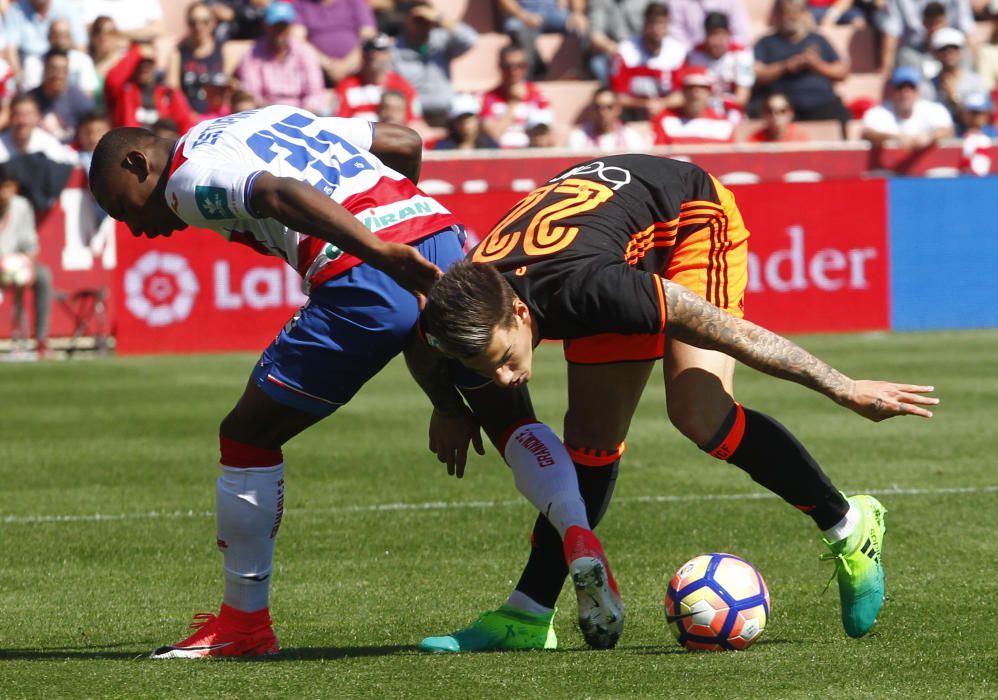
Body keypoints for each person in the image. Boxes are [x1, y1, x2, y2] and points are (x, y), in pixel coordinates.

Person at [414, 153, 938, 652]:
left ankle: (850, 525)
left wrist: (842, 386)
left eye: (505, 358)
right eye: (486, 368)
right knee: (591, 441)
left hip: (688, 218)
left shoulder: (594, 290)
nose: (504, 378)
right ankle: (526, 616)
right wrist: (447, 405)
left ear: (522, 316)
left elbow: (734, 333)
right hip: (605, 245)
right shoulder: (457, 310)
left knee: (698, 413)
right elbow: (423, 346)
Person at [86, 105, 476, 658]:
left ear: (135, 161)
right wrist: (394, 226)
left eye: (118, 205)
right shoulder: (259, 119)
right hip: (439, 233)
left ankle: (244, 626)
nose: (134, 229)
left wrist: (381, 251)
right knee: (507, 404)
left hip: (366, 269)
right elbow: (402, 140)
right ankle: (551, 590)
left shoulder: (184, 180)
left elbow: (273, 194)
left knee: (246, 437)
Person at [751, 0, 852, 124]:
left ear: (804, 14)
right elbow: (756, 74)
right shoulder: (765, 42)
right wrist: (786, 67)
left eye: (796, 12)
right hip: (783, 109)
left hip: (822, 104)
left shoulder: (819, 40)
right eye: (788, 12)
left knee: (842, 115)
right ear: (779, 14)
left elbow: (842, 72)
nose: (792, 17)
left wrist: (817, 65)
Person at [391, 0, 477, 126]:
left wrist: (439, 18)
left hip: (445, 115)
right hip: (413, 118)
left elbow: (470, 39)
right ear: (406, 21)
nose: (422, 25)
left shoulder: (441, 41)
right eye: (417, 20)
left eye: (426, 20)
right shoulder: (394, 50)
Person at [237, 2, 328, 116]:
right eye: (275, 26)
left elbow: (315, 92)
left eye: (284, 26)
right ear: (266, 26)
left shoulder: (305, 51)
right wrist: (270, 111)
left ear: (290, 26)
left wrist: (303, 114)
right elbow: (251, 92)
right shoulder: (252, 53)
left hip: (302, 112)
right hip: (265, 113)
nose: (280, 31)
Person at [0, 162, 52, 359]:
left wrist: (26, 266)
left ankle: (41, 341)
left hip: (16, 263)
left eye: (8, 187)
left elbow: (30, 245)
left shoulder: (21, 207)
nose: (4, 193)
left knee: (43, 276)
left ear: (14, 187)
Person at [609, 2, 687, 120]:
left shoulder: (677, 51)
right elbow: (618, 96)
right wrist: (645, 105)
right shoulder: (625, 50)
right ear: (645, 24)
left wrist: (662, 104)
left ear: (667, 25)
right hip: (632, 116)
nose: (656, 29)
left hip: (666, 114)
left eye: (661, 23)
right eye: (652, 23)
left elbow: (681, 96)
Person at [103, 41, 195, 133]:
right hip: (131, 145)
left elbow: (186, 124)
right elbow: (112, 81)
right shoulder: (123, 92)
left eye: (149, 62)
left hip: (162, 145)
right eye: (139, 62)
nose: (144, 66)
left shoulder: (168, 94)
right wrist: (137, 51)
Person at [861, 64, 955, 146]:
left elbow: (948, 130)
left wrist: (930, 137)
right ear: (892, 91)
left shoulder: (934, 109)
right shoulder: (879, 112)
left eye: (911, 88)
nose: (905, 93)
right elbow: (867, 133)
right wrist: (894, 138)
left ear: (918, 91)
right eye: (900, 88)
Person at [480, 44, 552, 149]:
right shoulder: (489, 98)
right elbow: (494, 136)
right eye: (508, 67)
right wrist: (513, 103)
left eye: (520, 65)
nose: (514, 71)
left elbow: (546, 136)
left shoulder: (537, 95)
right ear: (500, 67)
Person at [685, 12, 755, 120]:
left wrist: (719, 103)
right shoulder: (695, 54)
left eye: (719, 34)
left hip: (731, 110)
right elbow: (692, 92)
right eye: (711, 34)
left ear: (728, 34)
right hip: (702, 111)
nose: (714, 41)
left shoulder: (742, 54)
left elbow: (742, 97)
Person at [335, 34, 419, 123]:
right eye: (369, 50)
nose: (373, 54)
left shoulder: (403, 87)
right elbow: (339, 123)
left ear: (388, 54)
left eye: (380, 50)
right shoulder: (346, 87)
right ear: (362, 54)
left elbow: (414, 122)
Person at [166, 1, 229, 116]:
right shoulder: (178, 52)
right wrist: (189, 115)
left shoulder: (223, 50)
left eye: (204, 22)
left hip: (218, 117)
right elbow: (173, 91)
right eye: (193, 22)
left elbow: (228, 88)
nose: (198, 27)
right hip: (188, 117)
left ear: (213, 22)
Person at [497, 0, 589, 79]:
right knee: (514, 27)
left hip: (553, 12)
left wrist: (577, 13)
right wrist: (523, 16)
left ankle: (582, 71)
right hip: (522, 12)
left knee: (580, 25)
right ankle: (530, 73)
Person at [294, 0, 377, 86]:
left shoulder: (355, 2)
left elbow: (368, 35)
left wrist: (346, 66)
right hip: (318, 74)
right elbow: (298, 40)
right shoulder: (302, 4)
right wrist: (327, 64)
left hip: (358, 72)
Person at [651, 66, 736, 144]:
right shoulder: (665, 120)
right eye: (690, 87)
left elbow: (730, 158)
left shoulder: (723, 124)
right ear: (683, 92)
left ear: (709, 93)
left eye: (701, 87)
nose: (695, 93)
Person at [29, 48, 96, 143]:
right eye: (53, 69)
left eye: (63, 70)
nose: (58, 75)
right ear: (45, 68)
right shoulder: (30, 99)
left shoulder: (80, 100)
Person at [926, 27, 987, 127]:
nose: (949, 53)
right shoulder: (928, 85)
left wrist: (954, 97)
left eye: (954, 48)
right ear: (936, 54)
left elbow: (979, 120)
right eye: (943, 49)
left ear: (960, 52)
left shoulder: (975, 82)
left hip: (968, 137)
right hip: (938, 137)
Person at [21, 18, 99, 96]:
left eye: (64, 36)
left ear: (71, 38)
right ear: (49, 37)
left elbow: (88, 94)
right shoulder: (33, 62)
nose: (60, 40)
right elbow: (30, 94)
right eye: (56, 35)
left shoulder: (83, 61)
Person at [566, 86, 649, 151]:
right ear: (592, 109)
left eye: (609, 107)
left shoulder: (631, 138)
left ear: (618, 109)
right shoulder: (578, 137)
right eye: (598, 107)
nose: (603, 112)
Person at [585, 0, 648, 85]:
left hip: (643, 48)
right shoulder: (599, 2)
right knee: (598, 64)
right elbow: (596, 36)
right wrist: (620, 51)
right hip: (613, 51)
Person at [668, 0, 753, 50]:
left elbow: (742, 37)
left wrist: (719, 50)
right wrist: (699, 53)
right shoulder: (675, 2)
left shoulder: (732, 2)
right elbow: (676, 36)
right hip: (692, 59)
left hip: (726, 59)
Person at [432, 93, 500, 151]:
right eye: (460, 118)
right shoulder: (443, 147)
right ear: (453, 122)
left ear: (477, 119)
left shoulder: (490, 146)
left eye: (469, 117)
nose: (465, 122)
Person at [747, 92, 814, 141]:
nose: (775, 116)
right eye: (770, 111)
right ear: (763, 114)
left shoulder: (800, 137)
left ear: (791, 113)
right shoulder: (755, 139)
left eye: (782, 111)